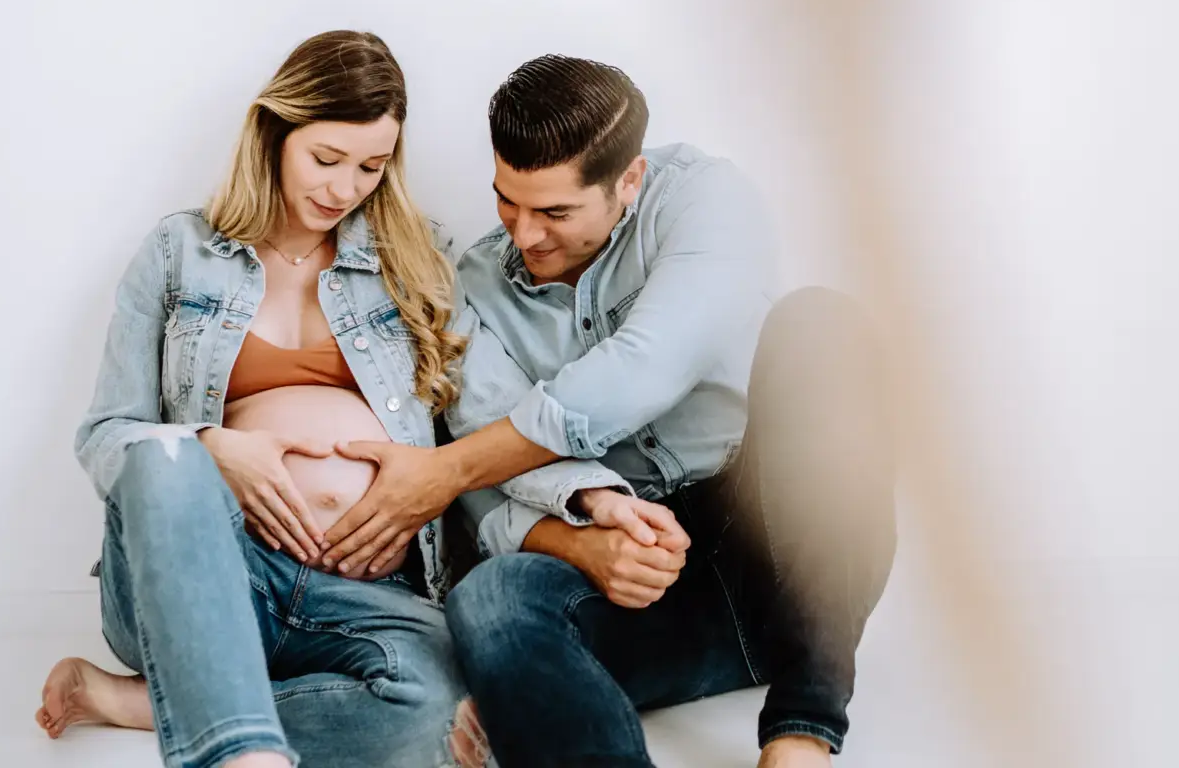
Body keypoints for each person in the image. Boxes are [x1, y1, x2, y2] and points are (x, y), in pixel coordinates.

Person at [317, 55, 898, 768]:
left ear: (629, 180)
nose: (525, 235)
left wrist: (439, 472)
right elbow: (488, 491)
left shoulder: (706, 198)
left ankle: (800, 737)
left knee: (822, 325)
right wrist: (586, 537)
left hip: (782, 540)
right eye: (508, 200)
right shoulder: (471, 286)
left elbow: (645, 368)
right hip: (642, 569)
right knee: (490, 599)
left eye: (555, 212)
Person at [33, 30, 472, 768]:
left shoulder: (420, 257)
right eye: (325, 159)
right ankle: (240, 755)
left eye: (370, 166)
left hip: (364, 592)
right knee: (161, 456)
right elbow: (108, 434)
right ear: (273, 132)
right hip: (211, 574)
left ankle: (140, 703)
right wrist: (211, 448)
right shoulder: (180, 252)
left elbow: (475, 431)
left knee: (440, 715)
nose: (344, 188)